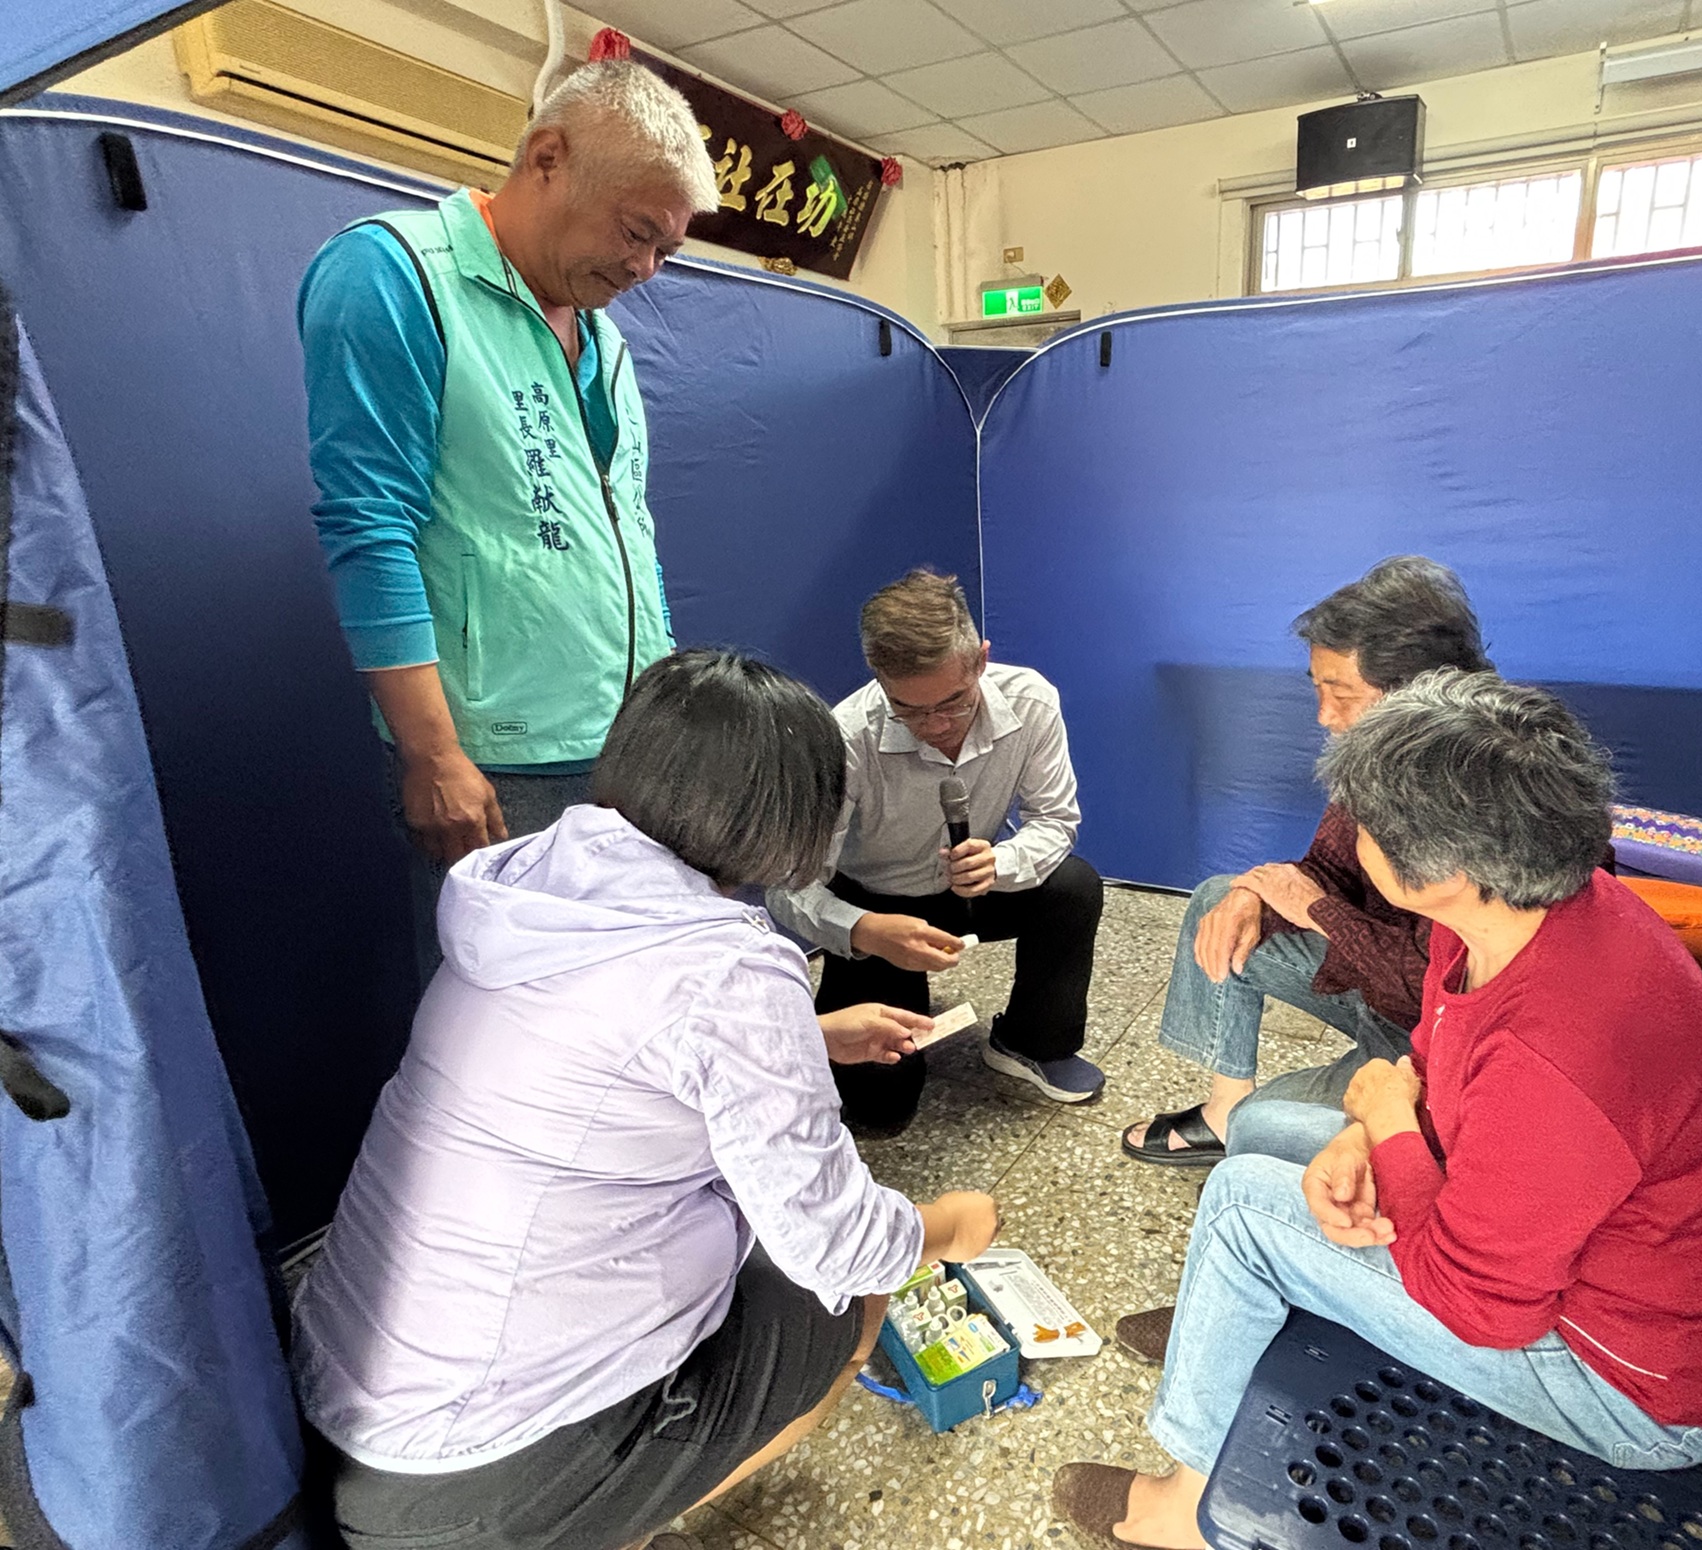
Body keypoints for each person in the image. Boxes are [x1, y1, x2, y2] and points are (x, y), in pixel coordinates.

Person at [1057, 671, 1702, 1549]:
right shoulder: (1514, 910)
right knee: (1261, 1131)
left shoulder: (1560, 1056)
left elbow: (1481, 1308)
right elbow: (1441, 1044)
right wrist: (1367, 1129)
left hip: (1643, 1392)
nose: (1350, 839)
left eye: (1364, 826)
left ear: (1445, 867)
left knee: (1240, 1209)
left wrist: (1387, 1130)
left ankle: (1183, 1510)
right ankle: (1236, 1319)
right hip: (1598, 1266)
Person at [293, 650, 999, 1550]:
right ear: (793, 816)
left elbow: (595, 1059)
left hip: (337, 1397)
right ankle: (609, 1524)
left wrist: (810, 1037)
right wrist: (949, 1226)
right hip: (475, 1472)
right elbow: (839, 1244)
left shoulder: (526, 885)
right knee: (836, 1305)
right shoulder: (730, 970)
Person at [300, 60, 719, 984]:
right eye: (637, 232)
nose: (645, 269)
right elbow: (368, 524)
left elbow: (628, 534)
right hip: (501, 758)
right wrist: (433, 754)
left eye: (666, 251)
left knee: (621, 997)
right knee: (508, 1014)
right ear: (548, 157)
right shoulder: (395, 273)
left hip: (628, 744)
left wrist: (668, 717)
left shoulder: (604, 338)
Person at [1121, 557, 1490, 1170]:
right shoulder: (1385, 757)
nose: (1323, 715)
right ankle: (1223, 1111)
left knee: (1261, 1131)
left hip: (1433, 1039)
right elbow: (1325, 870)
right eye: (1317, 688)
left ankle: (1247, 1125)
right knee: (1221, 898)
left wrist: (1314, 908)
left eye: (1340, 693)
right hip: (1379, 991)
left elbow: (1431, 986)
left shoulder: (1470, 797)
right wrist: (1256, 893)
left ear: (1413, 692)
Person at [769, 570, 1105, 1134]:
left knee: (1073, 886)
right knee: (879, 1110)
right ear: (878, 678)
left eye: (953, 701)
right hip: (876, 905)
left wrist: (1001, 863)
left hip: (973, 884)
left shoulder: (1031, 700)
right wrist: (865, 931)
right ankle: (874, 1029)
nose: (936, 726)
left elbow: (1055, 820)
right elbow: (787, 883)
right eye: (908, 710)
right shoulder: (844, 737)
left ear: (981, 661)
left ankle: (1031, 1041)